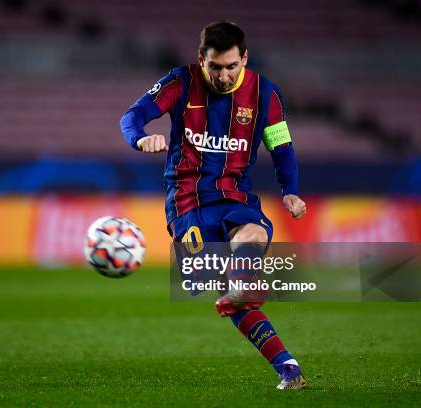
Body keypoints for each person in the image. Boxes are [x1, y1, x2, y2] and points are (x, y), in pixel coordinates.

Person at [120, 20, 307, 390]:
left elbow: (281, 145)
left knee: (252, 232)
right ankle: (280, 354)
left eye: (232, 66)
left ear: (245, 58)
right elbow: (132, 117)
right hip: (187, 202)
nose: (223, 76)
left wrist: (291, 190)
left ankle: (288, 366)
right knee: (221, 288)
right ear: (200, 60)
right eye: (215, 67)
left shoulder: (264, 94)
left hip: (235, 196)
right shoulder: (180, 81)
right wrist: (141, 140)